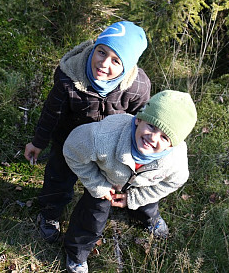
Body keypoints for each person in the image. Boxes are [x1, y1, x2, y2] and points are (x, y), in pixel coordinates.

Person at [24, 21, 151, 243]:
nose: (103, 63)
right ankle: (49, 213)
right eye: (101, 52)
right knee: (58, 178)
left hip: (111, 145)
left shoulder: (137, 87)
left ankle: (135, 210)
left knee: (107, 185)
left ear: (128, 65)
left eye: (116, 60)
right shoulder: (69, 77)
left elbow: (141, 121)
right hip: (69, 142)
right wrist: (38, 141)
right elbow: (52, 113)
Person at [61, 90, 197, 273]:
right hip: (106, 181)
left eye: (165, 137)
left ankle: (149, 219)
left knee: (147, 205)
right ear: (139, 119)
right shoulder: (103, 136)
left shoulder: (175, 161)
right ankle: (77, 255)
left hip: (143, 185)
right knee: (91, 218)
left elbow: (174, 181)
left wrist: (135, 198)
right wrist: (97, 184)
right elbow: (72, 149)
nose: (153, 138)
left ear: (173, 145)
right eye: (152, 126)